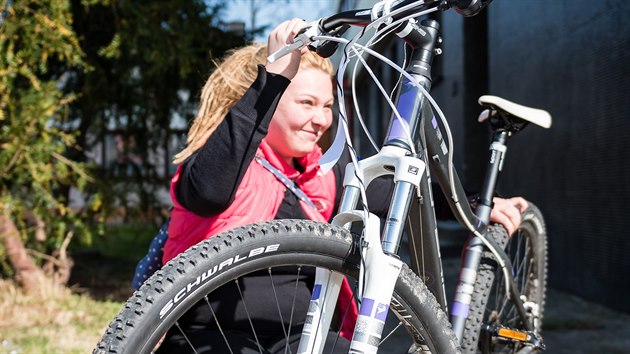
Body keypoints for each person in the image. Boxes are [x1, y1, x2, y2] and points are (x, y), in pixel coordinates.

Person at [147, 19, 528, 353]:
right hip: (209, 337)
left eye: (327, 105)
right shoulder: (225, 157)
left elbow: (398, 195)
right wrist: (274, 77)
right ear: (270, 99)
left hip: (301, 338)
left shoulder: (323, 170)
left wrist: (475, 204)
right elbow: (209, 191)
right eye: (307, 102)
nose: (320, 119)